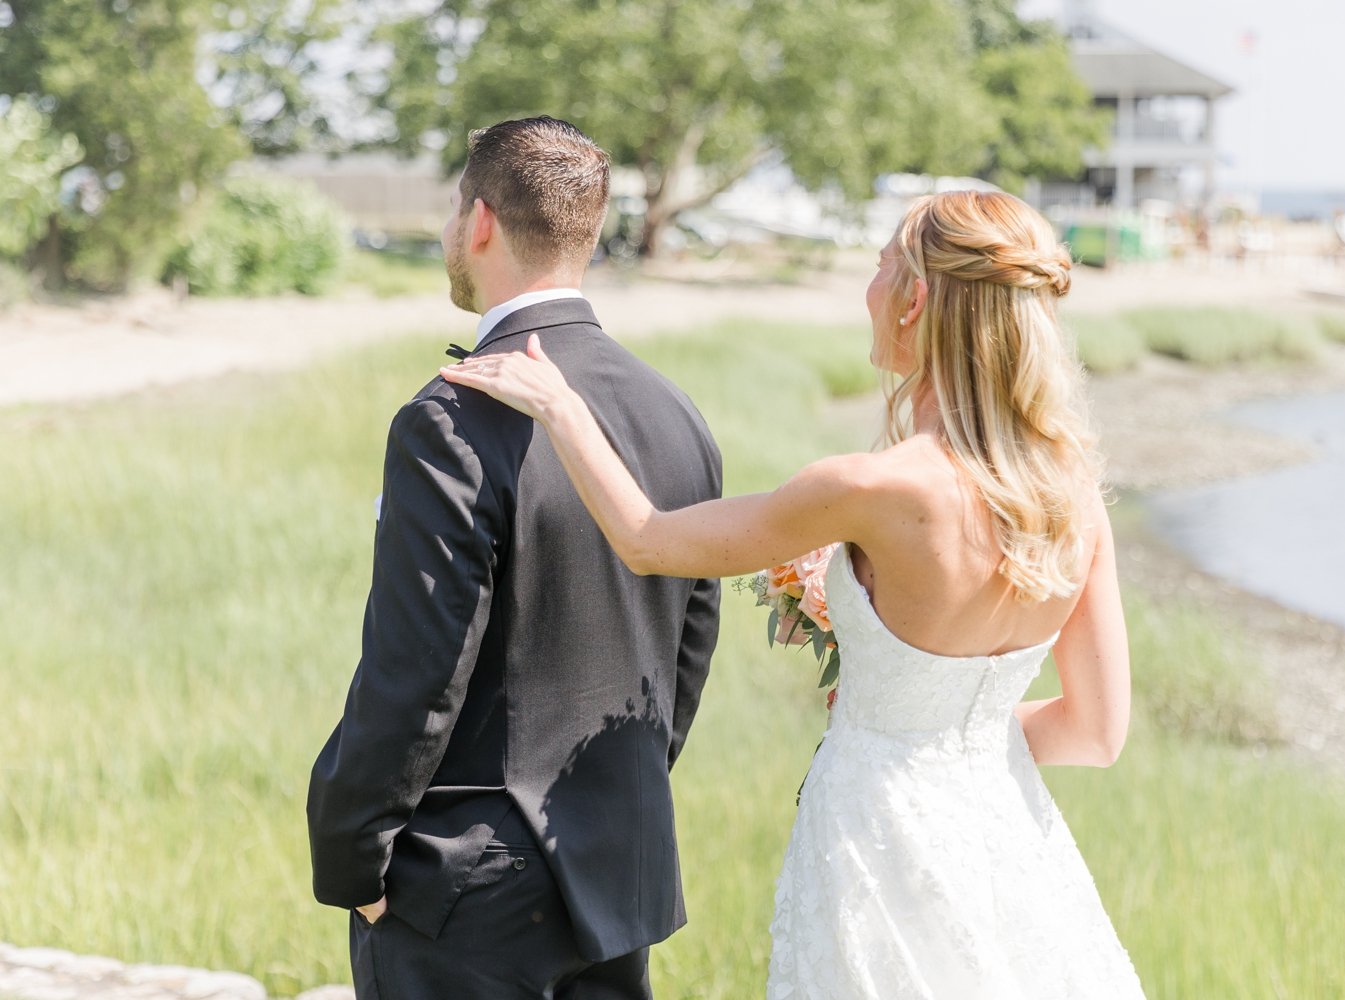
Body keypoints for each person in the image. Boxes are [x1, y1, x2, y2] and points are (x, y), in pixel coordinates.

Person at [441, 190, 1146, 997]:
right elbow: (1095, 733)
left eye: (882, 265)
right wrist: (933, 722)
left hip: (878, 840)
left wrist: (562, 408)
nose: (871, 287)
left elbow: (646, 540)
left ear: (916, 299)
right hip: (1009, 839)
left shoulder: (871, 486)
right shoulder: (1074, 499)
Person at [306, 117, 723, 999]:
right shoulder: (675, 414)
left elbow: (417, 669)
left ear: (481, 221)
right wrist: (617, 805)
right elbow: (687, 651)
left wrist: (356, 865)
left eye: (456, 210)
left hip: (463, 894)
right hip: (615, 869)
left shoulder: (448, 421)